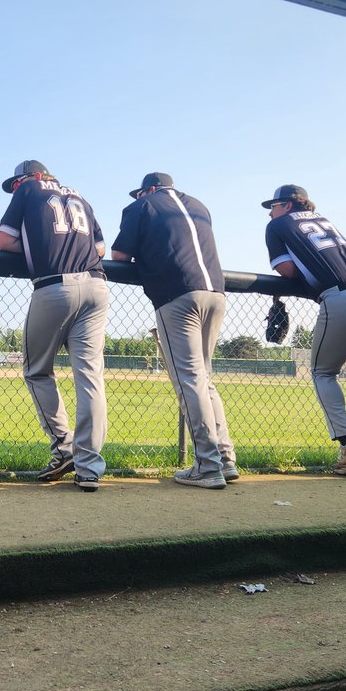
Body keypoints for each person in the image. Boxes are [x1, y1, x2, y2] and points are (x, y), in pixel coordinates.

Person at [112, 172, 237, 490]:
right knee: (204, 379)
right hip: (217, 294)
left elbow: (119, 257)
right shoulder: (198, 204)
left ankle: (207, 466)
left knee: (189, 381)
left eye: (141, 193)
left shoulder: (141, 206)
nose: (139, 197)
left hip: (177, 294)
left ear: (150, 189)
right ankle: (225, 459)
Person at [263, 184, 346, 479]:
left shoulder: (277, 224)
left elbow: (288, 271)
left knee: (323, 372)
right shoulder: (324, 220)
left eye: (273, 205)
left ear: (286, 205)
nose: (271, 212)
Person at [0, 159, 108, 493]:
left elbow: (4, 240)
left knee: (36, 370)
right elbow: (100, 248)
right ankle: (89, 467)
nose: (14, 189)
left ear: (29, 177)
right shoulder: (79, 195)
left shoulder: (28, 188)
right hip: (97, 284)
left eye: (14, 183)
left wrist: (37, 246)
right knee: (90, 375)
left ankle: (64, 447)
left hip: (54, 286)